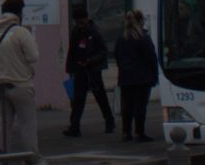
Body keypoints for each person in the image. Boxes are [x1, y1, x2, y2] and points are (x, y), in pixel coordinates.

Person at [0, 0, 47, 165]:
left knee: (3, 124)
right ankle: (32, 158)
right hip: (20, 84)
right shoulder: (21, 32)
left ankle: (3, 160)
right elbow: (33, 56)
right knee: (27, 123)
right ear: (19, 13)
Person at [63, 9, 115, 139]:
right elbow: (72, 50)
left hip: (93, 70)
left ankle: (110, 121)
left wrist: (91, 61)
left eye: (82, 22)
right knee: (78, 100)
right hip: (80, 70)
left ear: (86, 19)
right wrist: (71, 67)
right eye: (78, 22)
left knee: (100, 97)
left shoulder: (95, 32)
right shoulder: (76, 32)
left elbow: (103, 51)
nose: (80, 25)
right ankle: (74, 127)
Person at [113, 10, 160, 142]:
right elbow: (152, 58)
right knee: (140, 106)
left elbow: (117, 57)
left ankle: (126, 132)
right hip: (142, 77)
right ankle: (139, 132)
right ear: (141, 21)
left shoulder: (121, 39)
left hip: (126, 77)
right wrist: (154, 76)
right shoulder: (144, 38)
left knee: (126, 106)